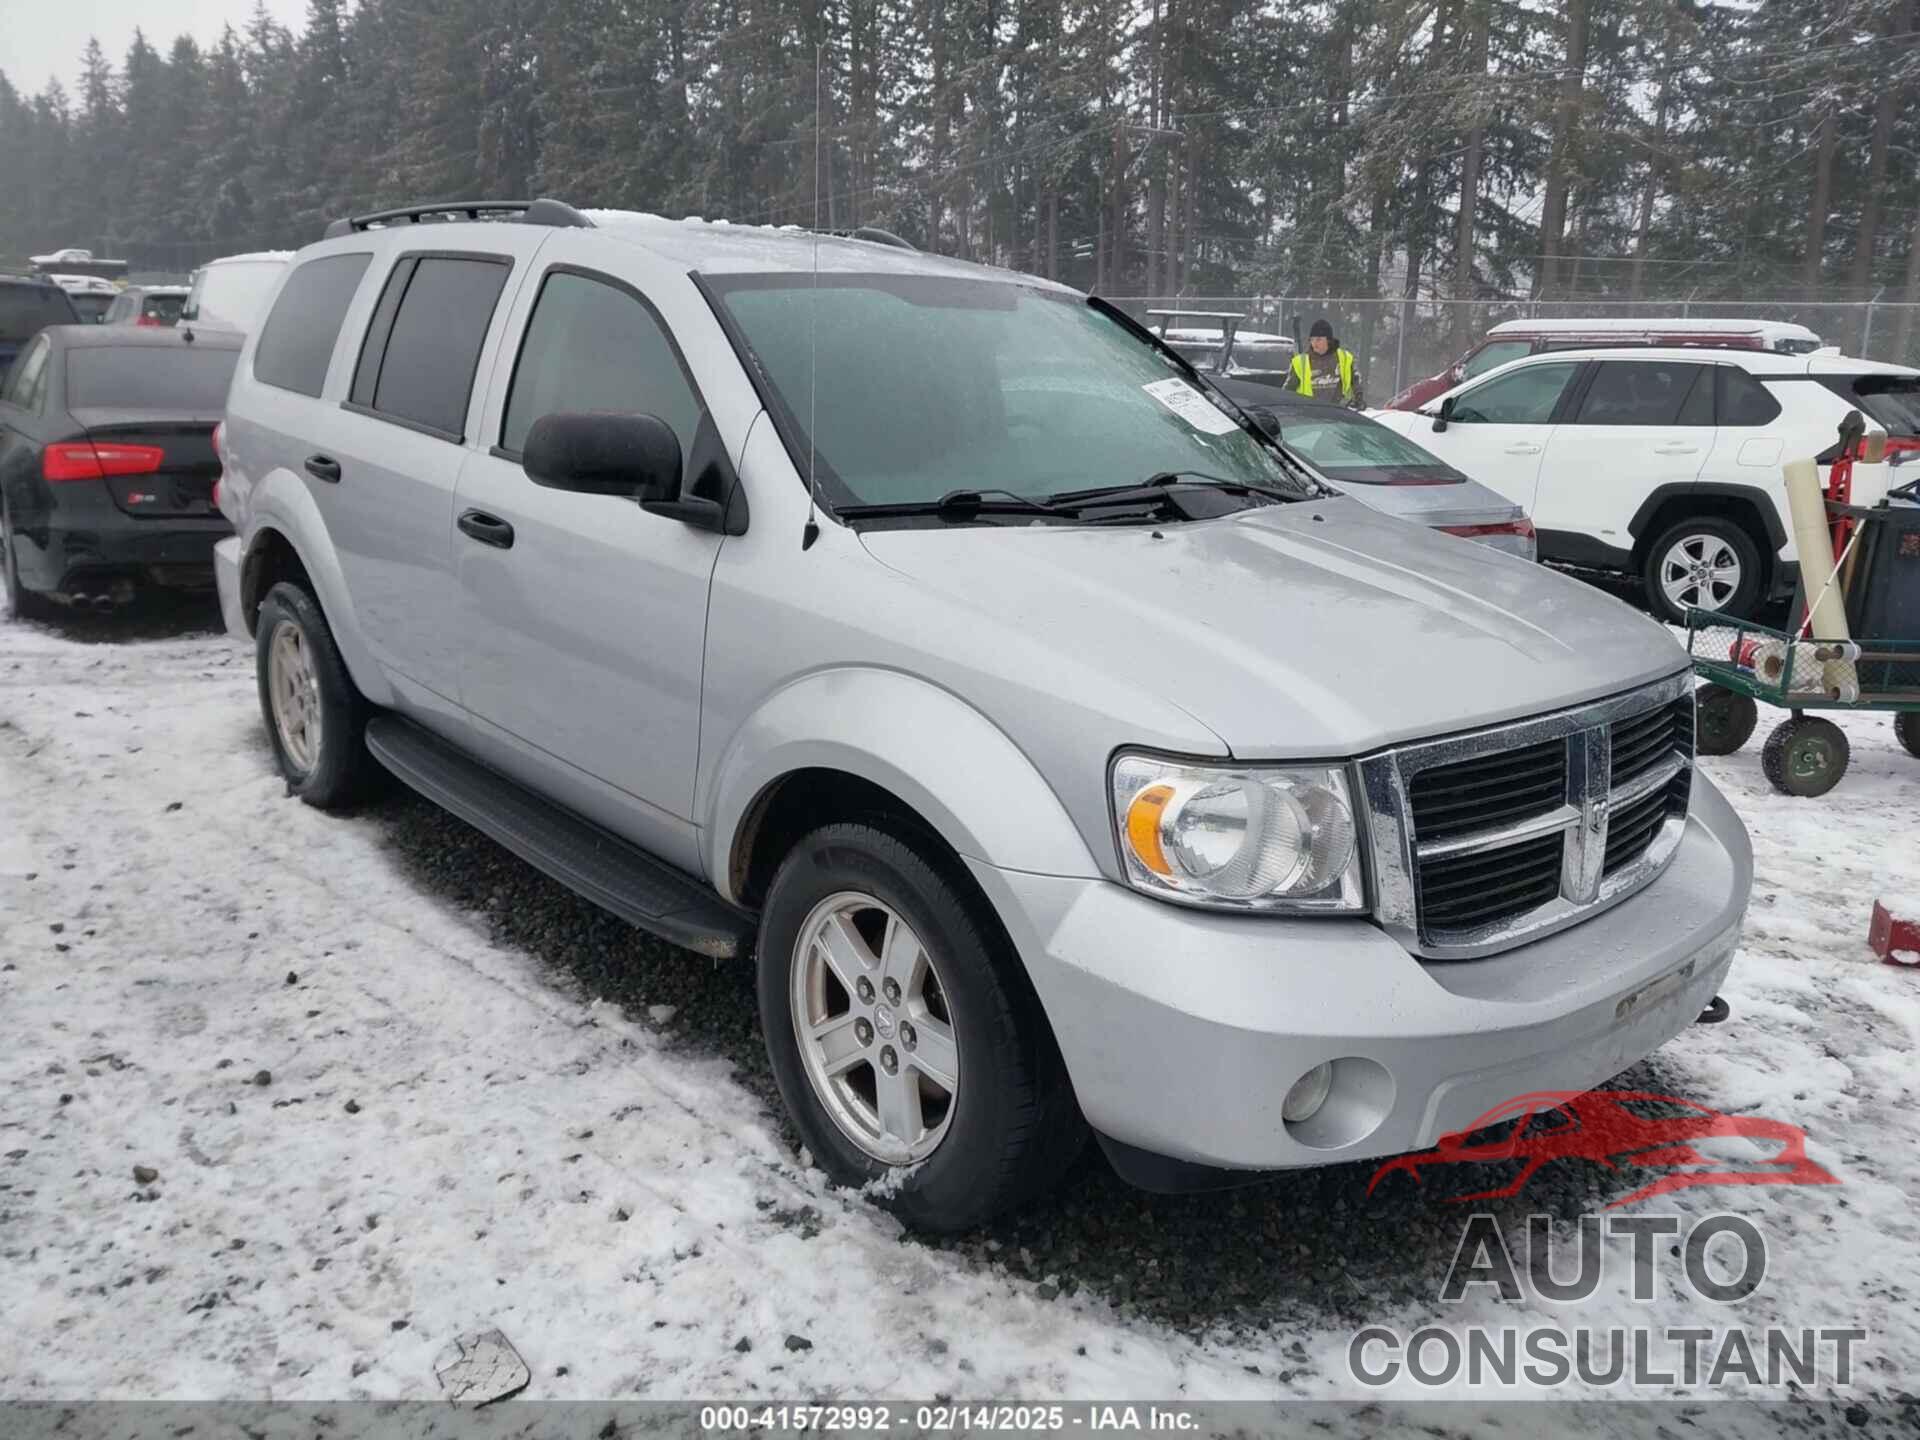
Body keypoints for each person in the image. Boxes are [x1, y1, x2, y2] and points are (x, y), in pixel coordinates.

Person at [1290, 318, 1363, 408]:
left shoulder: (1344, 358)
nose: (1314, 343)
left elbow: (1355, 380)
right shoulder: (1301, 362)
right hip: (1309, 414)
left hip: (1339, 412)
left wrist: (1358, 397)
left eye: (1318, 339)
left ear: (1328, 340)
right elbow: (1288, 390)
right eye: (1312, 339)